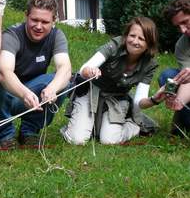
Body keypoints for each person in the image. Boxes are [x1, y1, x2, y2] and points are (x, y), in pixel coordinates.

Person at [0, 0, 72, 149]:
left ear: (54, 21)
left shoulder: (57, 36)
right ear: (26, 16)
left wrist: (52, 89)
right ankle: (4, 135)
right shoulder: (13, 34)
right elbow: (4, 72)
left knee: (63, 82)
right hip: (5, 92)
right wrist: (24, 94)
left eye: (45, 21)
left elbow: (65, 68)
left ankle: (29, 132)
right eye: (34, 20)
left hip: (32, 93)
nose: (38, 26)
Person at [61, 17, 165, 145]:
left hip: (117, 99)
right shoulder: (114, 45)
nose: (134, 41)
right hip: (91, 92)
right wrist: (91, 71)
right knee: (77, 140)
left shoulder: (149, 65)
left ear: (149, 44)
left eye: (141, 39)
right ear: (126, 36)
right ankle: (85, 127)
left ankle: (135, 124)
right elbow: (84, 69)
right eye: (132, 36)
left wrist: (155, 99)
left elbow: (139, 102)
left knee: (109, 140)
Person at [159, 0, 190, 135]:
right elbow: (187, 80)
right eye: (178, 26)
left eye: (185, 22)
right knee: (168, 76)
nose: (183, 30)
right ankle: (183, 120)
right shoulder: (182, 45)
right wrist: (178, 102)